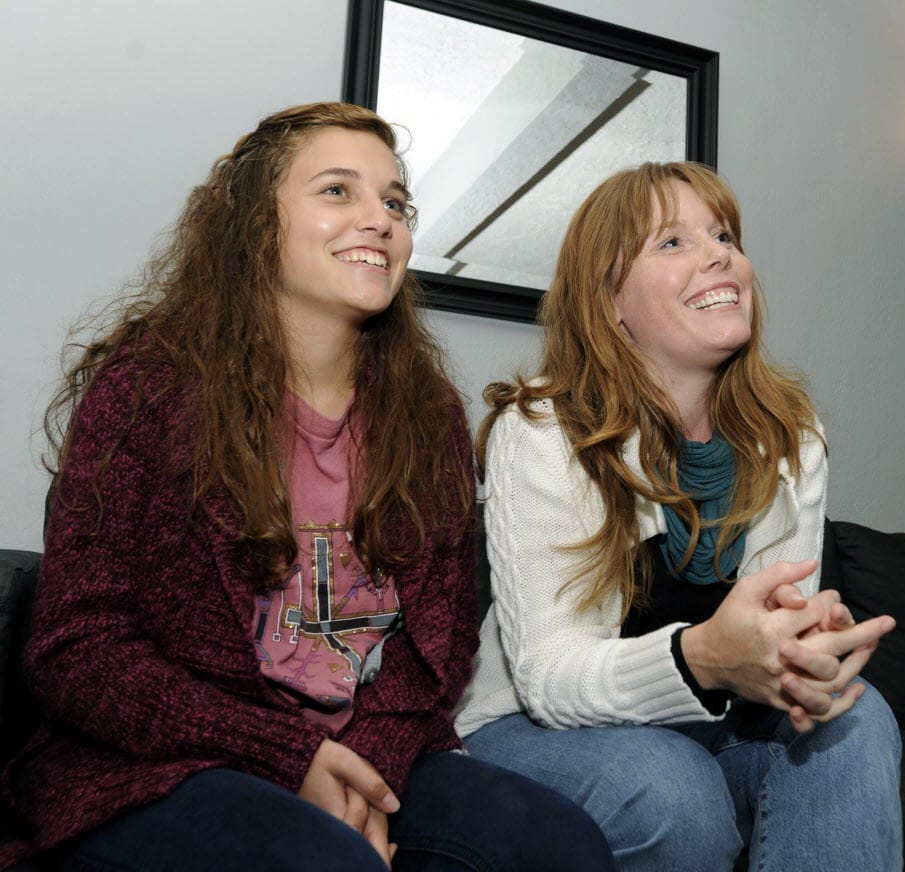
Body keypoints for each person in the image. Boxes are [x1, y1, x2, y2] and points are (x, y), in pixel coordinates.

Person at [0, 102, 614, 872]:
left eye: (395, 202)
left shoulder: (428, 420)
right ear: (256, 224)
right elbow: (78, 653)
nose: (379, 219)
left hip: (365, 748)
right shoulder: (147, 391)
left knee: (562, 846)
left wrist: (370, 768)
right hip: (159, 762)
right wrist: (288, 756)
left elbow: (441, 647)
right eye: (337, 191)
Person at [456, 161, 903, 871]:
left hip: (705, 732)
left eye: (723, 234)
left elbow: (774, 630)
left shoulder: (792, 433)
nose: (720, 252)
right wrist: (703, 659)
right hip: (529, 727)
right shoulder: (544, 427)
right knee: (670, 786)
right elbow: (548, 676)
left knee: (858, 715)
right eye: (672, 242)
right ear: (610, 302)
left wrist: (805, 656)